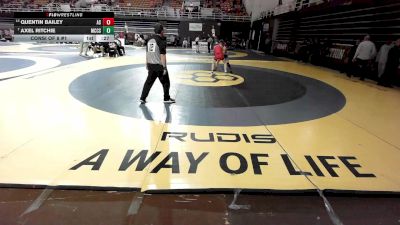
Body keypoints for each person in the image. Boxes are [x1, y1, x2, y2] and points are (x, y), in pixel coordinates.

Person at [139, 23, 175, 104]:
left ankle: (142, 98)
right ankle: (166, 98)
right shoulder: (161, 40)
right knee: (166, 82)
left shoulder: (149, 39)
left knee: (148, 82)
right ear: (161, 31)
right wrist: (164, 67)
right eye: (163, 30)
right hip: (159, 66)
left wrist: (146, 64)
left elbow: (147, 52)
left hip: (150, 65)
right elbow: (162, 55)